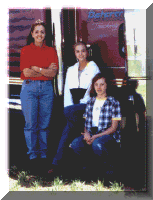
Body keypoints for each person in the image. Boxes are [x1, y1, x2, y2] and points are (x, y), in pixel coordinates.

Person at [48, 42, 100, 173]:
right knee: (68, 128)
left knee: (68, 125)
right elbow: (67, 92)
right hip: (74, 110)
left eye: (83, 51)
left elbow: (93, 90)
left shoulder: (93, 68)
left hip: (88, 106)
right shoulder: (71, 70)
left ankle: (56, 164)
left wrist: (71, 110)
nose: (81, 54)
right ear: (75, 53)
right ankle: (56, 163)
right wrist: (69, 109)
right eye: (78, 51)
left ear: (87, 52)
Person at [20, 19, 59, 173]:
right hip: (29, 88)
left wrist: (37, 68)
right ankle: (32, 157)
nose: (39, 34)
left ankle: (43, 156)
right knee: (30, 125)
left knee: (44, 124)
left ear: (45, 35)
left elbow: (53, 73)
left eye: (42, 32)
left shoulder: (51, 51)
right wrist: (44, 70)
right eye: (36, 31)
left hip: (46, 90)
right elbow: (26, 72)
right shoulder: (25, 50)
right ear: (32, 34)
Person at [69, 73, 122, 179]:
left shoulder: (113, 102)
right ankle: (88, 168)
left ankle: (108, 170)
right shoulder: (90, 102)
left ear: (107, 86)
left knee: (97, 144)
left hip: (107, 135)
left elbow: (113, 128)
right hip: (92, 133)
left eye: (102, 84)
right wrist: (87, 133)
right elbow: (85, 123)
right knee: (75, 143)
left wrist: (96, 137)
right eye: (96, 84)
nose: (99, 87)